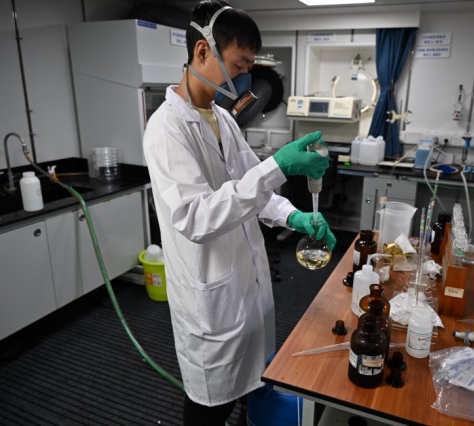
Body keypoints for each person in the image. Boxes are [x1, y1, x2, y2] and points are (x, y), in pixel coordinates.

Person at [142, 1, 337, 424]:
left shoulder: (223, 119)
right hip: (210, 299)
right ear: (202, 51)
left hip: (247, 287)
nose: (247, 77)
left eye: (250, 65)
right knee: (210, 406)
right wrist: (276, 167)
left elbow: (254, 187)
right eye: (240, 64)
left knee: (252, 380)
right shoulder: (166, 129)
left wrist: (293, 216)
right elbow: (195, 217)